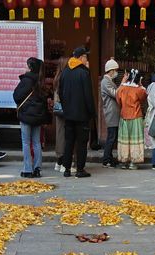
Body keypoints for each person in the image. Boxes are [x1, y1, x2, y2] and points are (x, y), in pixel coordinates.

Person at [59, 45, 95, 179]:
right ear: (81, 57)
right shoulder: (84, 73)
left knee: (69, 142)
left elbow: (60, 93)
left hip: (68, 114)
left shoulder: (65, 72)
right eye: (86, 57)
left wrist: (66, 108)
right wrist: (92, 112)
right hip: (82, 115)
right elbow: (88, 95)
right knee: (81, 143)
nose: (87, 59)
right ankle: (80, 169)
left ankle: (67, 169)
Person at [14, 57, 49, 178]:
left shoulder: (26, 80)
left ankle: (28, 169)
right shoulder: (41, 81)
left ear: (30, 67)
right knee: (36, 142)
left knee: (26, 142)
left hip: (26, 116)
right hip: (38, 117)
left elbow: (16, 96)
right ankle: (37, 168)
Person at [116, 69, 147, 169]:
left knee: (125, 139)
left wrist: (123, 82)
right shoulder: (139, 90)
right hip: (136, 116)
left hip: (124, 116)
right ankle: (133, 162)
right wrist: (141, 84)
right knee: (135, 140)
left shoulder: (122, 89)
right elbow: (143, 97)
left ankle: (124, 161)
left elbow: (118, 100)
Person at [100, 59, 125, 167]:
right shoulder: (105, 81)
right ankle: (106, 159)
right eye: (115, 70)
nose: (116, 72)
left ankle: (109, 158)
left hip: (113, 112)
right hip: (111, 112)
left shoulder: (109, 81)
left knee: (112, 136)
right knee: (111, 136)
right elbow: (115, 94)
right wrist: (123, 83)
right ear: (110, 70)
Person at [53, 57, 68, 172]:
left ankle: (58, 160)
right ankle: (63, 160)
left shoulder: (57, 78)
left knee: (59, 134)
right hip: (65, 110)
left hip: (58, 110)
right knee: (65, 135)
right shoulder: (65, 78)